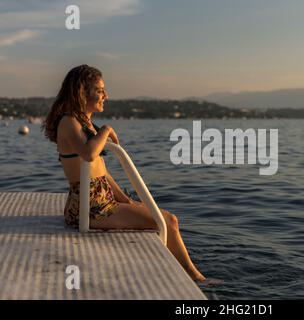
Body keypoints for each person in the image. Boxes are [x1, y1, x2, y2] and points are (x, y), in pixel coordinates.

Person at [42, 64, 206, 282]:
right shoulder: (69, 122)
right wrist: (107, 129)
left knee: (164, 218)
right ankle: (194, 277)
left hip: (102, 201)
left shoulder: (84, 123)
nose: (106, 96)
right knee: (169, 221)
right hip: (89, 207)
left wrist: (127, 200)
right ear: (83, 92)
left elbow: (102, 174)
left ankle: (180, 272)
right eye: (100, 90)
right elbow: (89, 154)